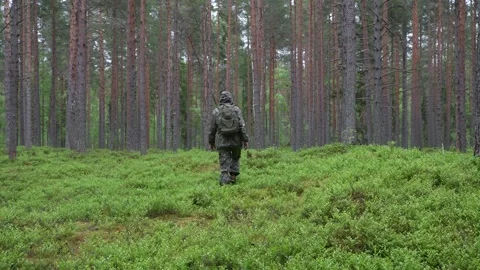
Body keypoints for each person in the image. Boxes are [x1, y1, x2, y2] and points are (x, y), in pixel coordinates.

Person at [209, 91, 249, 185]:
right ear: (230, 99)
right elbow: (242, 126)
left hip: (222, 142)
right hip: (236, 141)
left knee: (224, 164)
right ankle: (233, 177)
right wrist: (245, 140)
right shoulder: (236, 110)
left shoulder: (216, 111)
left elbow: (212, 129)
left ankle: (224, 184)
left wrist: (211, 142)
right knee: (235, 158)